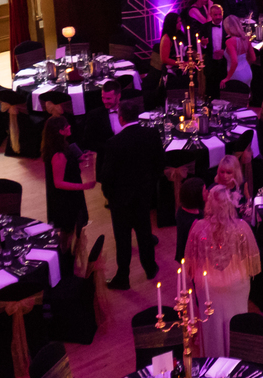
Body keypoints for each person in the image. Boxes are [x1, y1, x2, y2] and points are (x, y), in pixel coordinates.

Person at [186, 185, 260, 358]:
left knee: (211, 326)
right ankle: (237, 359)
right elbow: (253, 261)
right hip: (236, 283)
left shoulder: (198, 228)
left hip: (208, 285)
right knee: (237, 325)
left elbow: (190, 262)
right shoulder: (242, 227)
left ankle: (213, 360)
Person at [101, 102, 163, 288]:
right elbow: (160, 164)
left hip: (121, 200)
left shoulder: (114, 143)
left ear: (121, 118)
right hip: (143, 195)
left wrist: (110, 197)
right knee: (144, 233)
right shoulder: (151, 135)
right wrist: (149, 186)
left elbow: (107, 176)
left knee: (123, 239)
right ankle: (150, 268)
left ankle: (123, 276)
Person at [41, 114, 93, 252]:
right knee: (67, 232)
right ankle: (65, 259)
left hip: (65, 197)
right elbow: (59, 183)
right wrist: (84, 186)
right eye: (66, 126)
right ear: (60, 131)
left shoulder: (59, 147)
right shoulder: (58, 154)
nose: (69, 126)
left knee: (68, 230)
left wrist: (78, 160)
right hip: (66, 200)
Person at [175, 177, 204, 263]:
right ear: (197, 197)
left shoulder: (182, 209)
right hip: (192, 257)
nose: (208, 192)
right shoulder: (194, 222)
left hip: (183, 250)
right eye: (205, 190)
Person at [223, 14, 255, 89]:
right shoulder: (246, 38)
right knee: (246, 98)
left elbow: (235, 61)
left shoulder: (230, 41)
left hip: (236, 75)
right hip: (247, 72)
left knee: (236, 99)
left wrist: (227, 78)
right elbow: (253, 58)